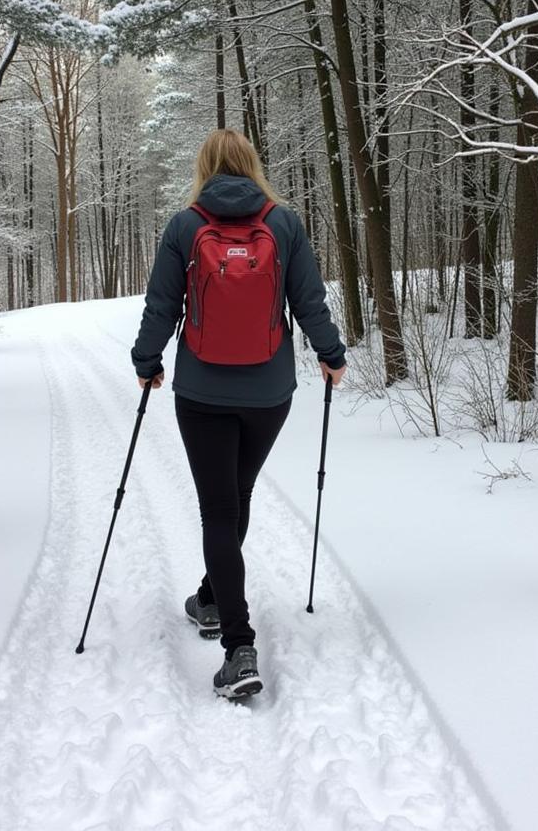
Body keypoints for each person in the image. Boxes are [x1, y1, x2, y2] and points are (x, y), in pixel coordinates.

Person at [131, 128, 347, 699]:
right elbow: (308, 299)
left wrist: (146, 359)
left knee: (219, 510)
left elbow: (162, 304)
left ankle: (237, 646)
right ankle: (210, 600)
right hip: (269, 392)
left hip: (201, 390)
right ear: (250, 164)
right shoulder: (283, 222)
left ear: (204, 167)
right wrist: (330, 353)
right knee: (236, 499)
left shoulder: (185, 225)